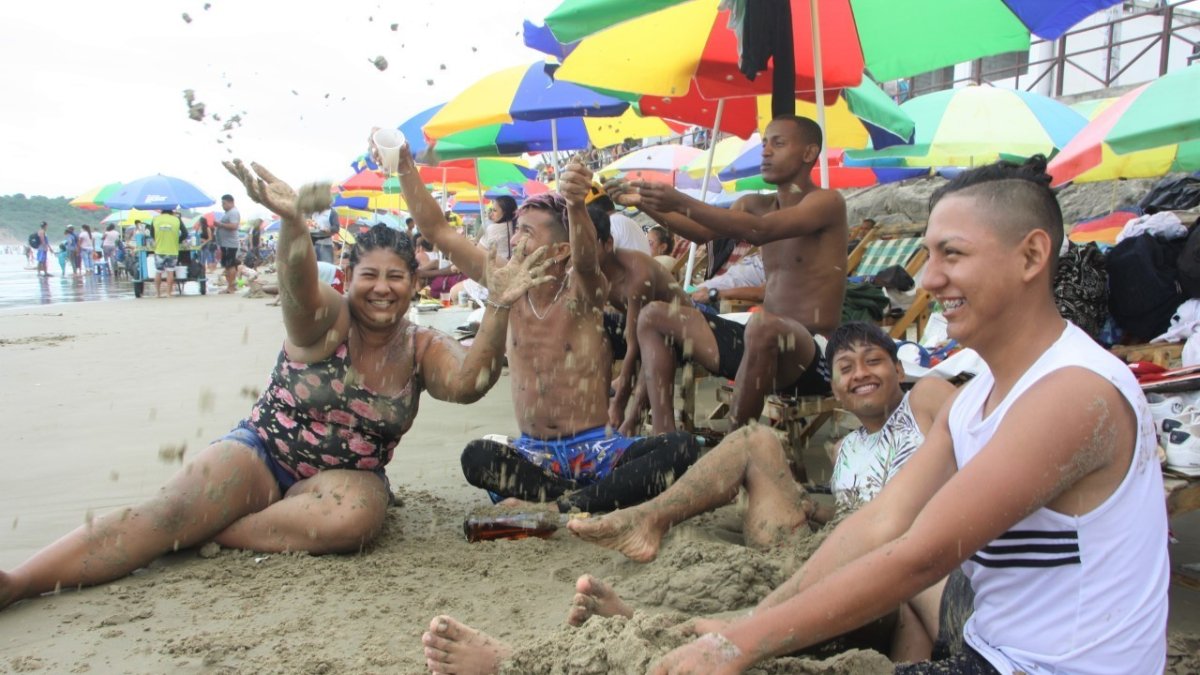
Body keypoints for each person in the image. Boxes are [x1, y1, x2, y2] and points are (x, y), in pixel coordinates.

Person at [638, 156, 1168, 673]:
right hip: (988, 630)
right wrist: (748, 626)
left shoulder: (1072, 392)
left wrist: (739, 648)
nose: (931, 280)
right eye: (928, 256)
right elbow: (880, 522)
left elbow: (920, 555)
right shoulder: (980, 392)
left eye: (952, 255)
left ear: (1031, 257)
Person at [0, 159, 549, 613]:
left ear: (413, 284)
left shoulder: (420, 347)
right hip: (263, 452)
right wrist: (292, 225)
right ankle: (21, 581)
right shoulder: (328, 320)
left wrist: (499, 303)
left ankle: (219, 529)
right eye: (369, 276)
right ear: (348, 279)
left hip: (347, 479)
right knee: (163, 515)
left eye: (396, 277)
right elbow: (296, 289)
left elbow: (470, 383)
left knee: (356, 521)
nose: (382, 289)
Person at [420, 322, 957, 672]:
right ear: (835, 391)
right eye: (846, 368)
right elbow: (844, 514)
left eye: (874, 361)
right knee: (754, 440)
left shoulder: (929, 400)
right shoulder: (843, 451)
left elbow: (985, 444)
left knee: (775, 623)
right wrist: (792, 501)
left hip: (902, 564)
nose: (861, 373)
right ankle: (647, 533)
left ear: (900, 371)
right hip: (837, 548)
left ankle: (529, 663)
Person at [389, 139, 698, 514]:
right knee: (478, 456)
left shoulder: (583, 292)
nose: (516, 240)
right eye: (517, 230)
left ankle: (563, 504)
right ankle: (573, 497)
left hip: (594, 449)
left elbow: (586, 260)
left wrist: (575, 204)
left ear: (559, 250)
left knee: (680, 448)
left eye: (528, 233)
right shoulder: (506, 282)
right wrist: (405, 165)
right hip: (534, 454)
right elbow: (438, 230)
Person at [611, 115, 848, 434]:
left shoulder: (827, 202)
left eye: (778, 143)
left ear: (808, 153)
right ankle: (665, 439)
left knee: (762, 324)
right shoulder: (754, 204)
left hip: (810, 355)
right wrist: (644, 203)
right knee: (655, 315)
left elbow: (762, 232)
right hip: (759, 346)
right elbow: (700, 233)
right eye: (764, 143)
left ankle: (735, 452)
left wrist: (679, 199)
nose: (765, 151)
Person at [586, 203, 693, 436]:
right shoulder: (586, 272)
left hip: (686, 331)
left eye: (588, 243)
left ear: (608, 244)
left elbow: (634, 342)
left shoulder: (635, 274)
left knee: (649, 341)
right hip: (645, 327)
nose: (581, 251)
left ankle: (633, 422)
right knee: (591, 329)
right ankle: (596, 409)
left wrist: (620, 403)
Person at [151, 208, 184, 298]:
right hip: (172, 250)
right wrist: (177, 240)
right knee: (170, 272)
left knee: (158, 272)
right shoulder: (177, 219)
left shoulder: (155, 219)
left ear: (162, 211)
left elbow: (151, 234)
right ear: (172, 212)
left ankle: (158, 294)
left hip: (159, 250)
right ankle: (169, 293)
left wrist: (158, 239)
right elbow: (185, 233)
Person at [215, 193, 242, 294]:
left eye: (224, 203)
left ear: (231, 202)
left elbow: (234, 226)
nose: (222, 205)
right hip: (225, 244)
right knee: (228, 265)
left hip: (230, 244)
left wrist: (220, 224)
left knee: (230, 265)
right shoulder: (229, 213)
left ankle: (231, 287)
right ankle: (230, 286)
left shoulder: (233, 212)